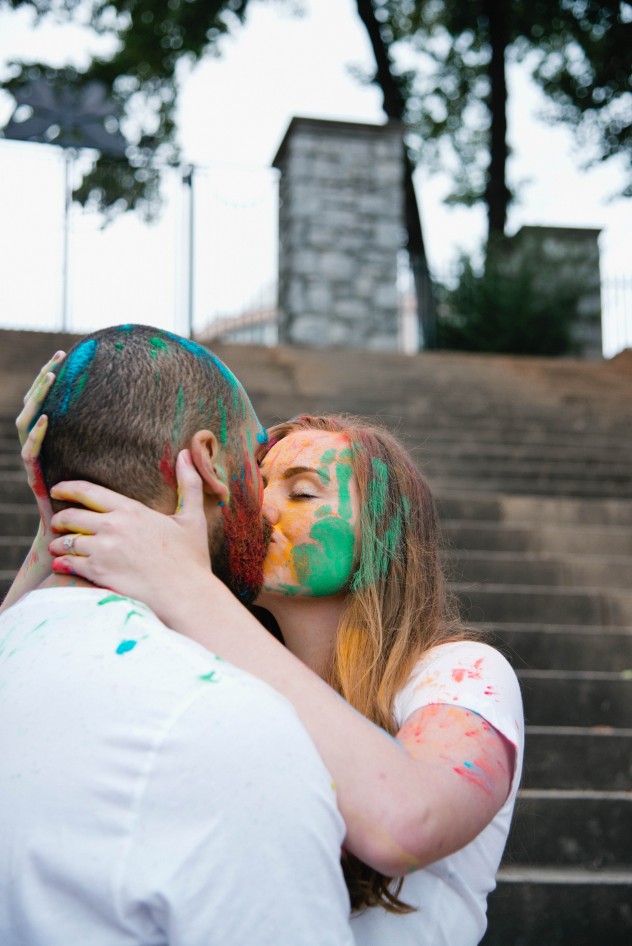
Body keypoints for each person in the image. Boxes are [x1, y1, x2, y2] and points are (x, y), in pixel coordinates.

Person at [10, 347, 525, 946]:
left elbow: (407, 823)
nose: (262, 507)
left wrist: (188, 586)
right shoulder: (217, 668)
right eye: (258, 482)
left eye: (303, 493)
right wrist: (59, 516)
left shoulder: (461, 674)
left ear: (384, 537)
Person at [0, 326, 356, 946]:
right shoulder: (230, 725)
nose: (267, 507)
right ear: (210, 461)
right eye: (255, 466)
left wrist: (56, 520)